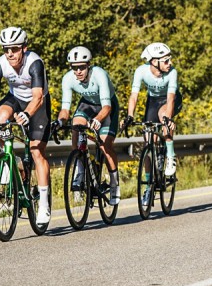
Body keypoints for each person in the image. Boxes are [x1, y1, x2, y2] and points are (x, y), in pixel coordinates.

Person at [0, 27, 52, 226]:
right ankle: (9, 160)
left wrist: (27, 114)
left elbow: (38, 97)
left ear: (24, 48)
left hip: (37, 104)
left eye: (14, 49)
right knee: (1, 117)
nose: (9, 53)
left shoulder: (35, 63)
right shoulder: (0, 64)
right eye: (6, 49)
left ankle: (44, 204)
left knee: (36, 152)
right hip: (15, 98)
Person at [51, 46, 122, 205]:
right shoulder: (68, 79)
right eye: (74, 67)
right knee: (76, 125)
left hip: (106, 106)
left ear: (88, 65)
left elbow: (107, 107)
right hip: (87, 104)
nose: (78, 71)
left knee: (105, 146)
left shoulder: (99, 74)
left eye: (82, 67)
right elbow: (65, 109)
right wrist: (60, 121)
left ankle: (114, 183)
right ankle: (80, 170)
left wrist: (98, 119)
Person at [125, 42, 182, 176]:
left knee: (163, 117)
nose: (170, 63)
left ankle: (170, 156)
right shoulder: (141, 71)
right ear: (155, 62)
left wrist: (168, 119)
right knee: (148, 140)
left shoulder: (172, 72)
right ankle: (148, 182)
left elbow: (170, 98)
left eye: (170, 59)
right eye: (166, 60)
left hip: (171, 99)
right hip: (153, 101)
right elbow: (134, 96)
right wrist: (130, 116)